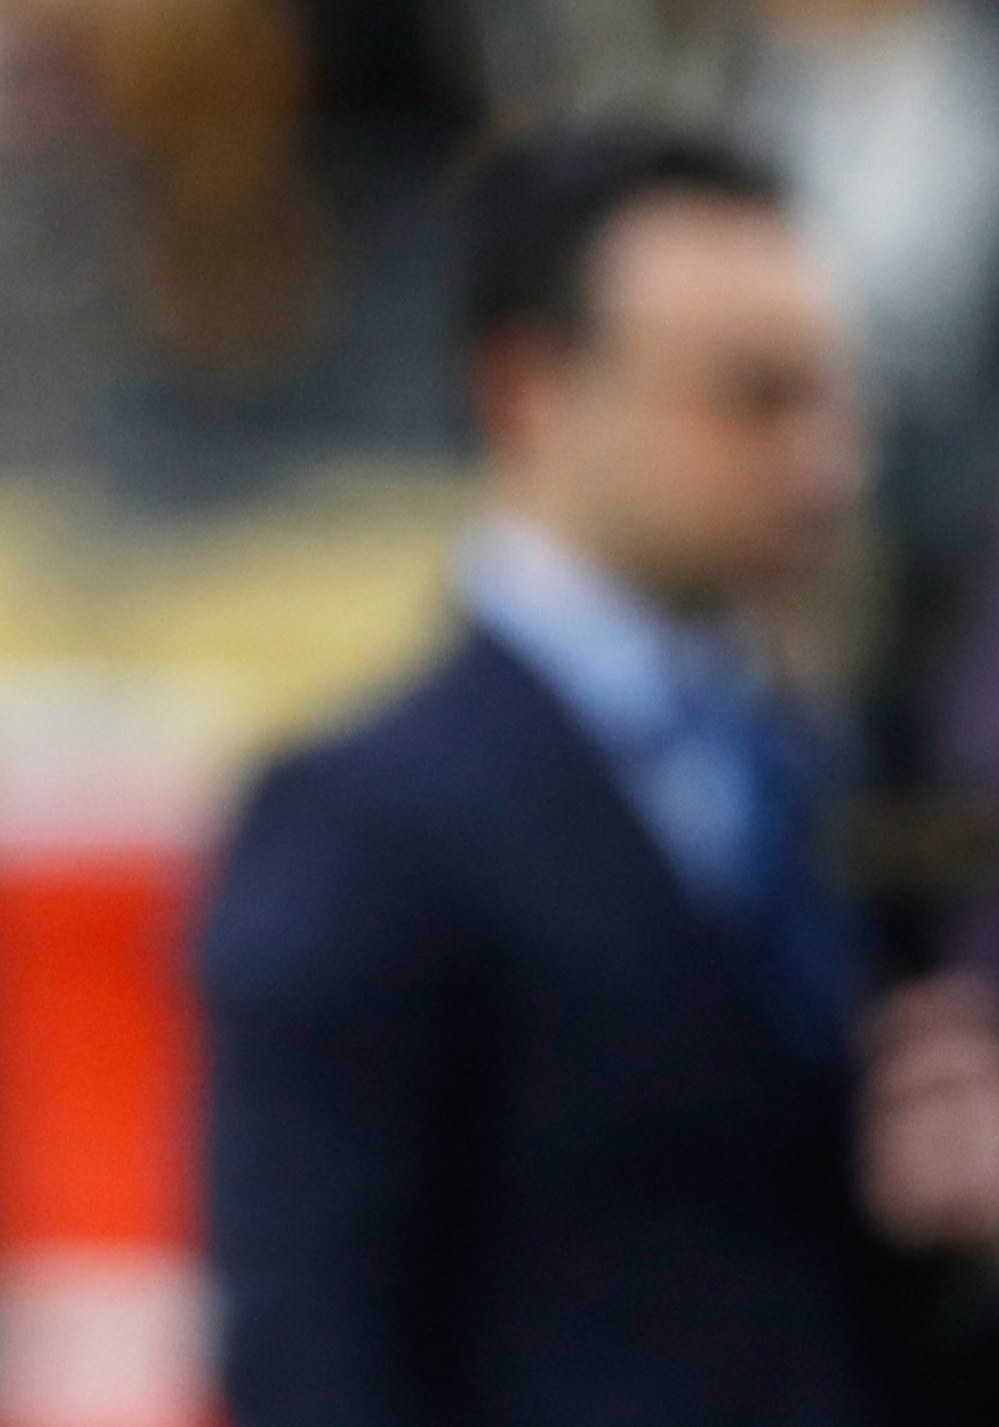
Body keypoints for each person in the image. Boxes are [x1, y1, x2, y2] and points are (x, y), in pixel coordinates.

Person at [199, 126, 999, 1427]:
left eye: (838, 397)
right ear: (529, 392)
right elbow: (308, 1338)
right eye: (752, 396)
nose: (826, 461)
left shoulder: (843, 769)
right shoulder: (362, 818)